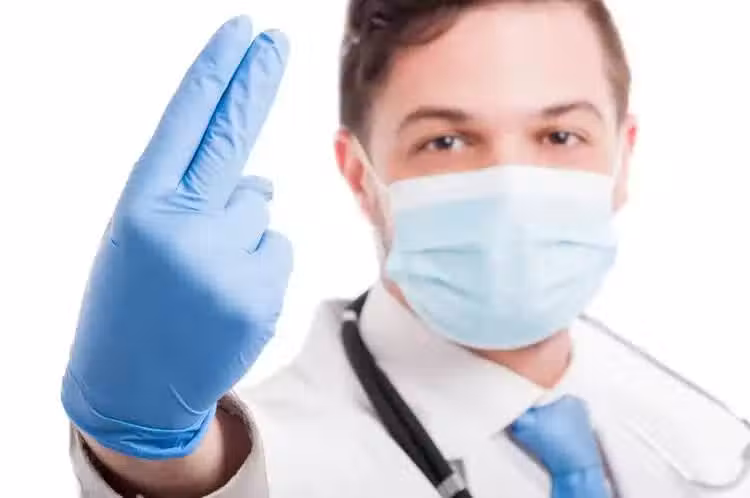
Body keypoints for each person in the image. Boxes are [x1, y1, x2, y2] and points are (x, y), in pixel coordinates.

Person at [61, 0, 750, 496]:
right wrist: (146, 450)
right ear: (361, 176)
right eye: (445, 141)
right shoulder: (277, 451)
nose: (511, 187)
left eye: (560, 136)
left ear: (623, 158)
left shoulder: (702, 431)